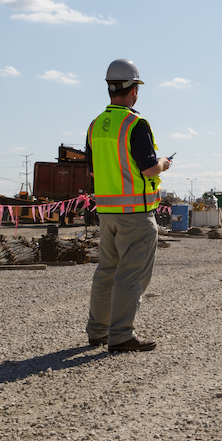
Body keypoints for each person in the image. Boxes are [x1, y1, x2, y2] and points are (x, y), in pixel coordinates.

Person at [85, 59, 172, 352]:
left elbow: (95, 171)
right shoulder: (135, 124)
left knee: (106, 271)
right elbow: (149, 169)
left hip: (107, 212)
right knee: (130, 275)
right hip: (135, 214)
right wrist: (164, 163)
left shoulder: (95, 126)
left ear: (110, 88)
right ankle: (121, 335)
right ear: (134, 90)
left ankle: (97, 331)